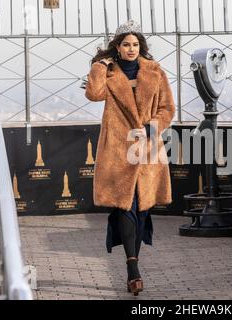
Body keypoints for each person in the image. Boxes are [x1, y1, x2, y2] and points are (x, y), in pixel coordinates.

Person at [84, 19, 175, 296]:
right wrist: (99, 66)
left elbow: (168, 108)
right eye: (126, 44)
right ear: (118, 47)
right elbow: (93, 94)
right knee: (125, 206)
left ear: (140, 47)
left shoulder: (155, 72)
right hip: (118, 150)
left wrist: (152, 126)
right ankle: (133, 270)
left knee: (141, 208)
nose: (131, 49)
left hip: (147, 149)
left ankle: (133, 266)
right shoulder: (108, 72)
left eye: (135, 44)